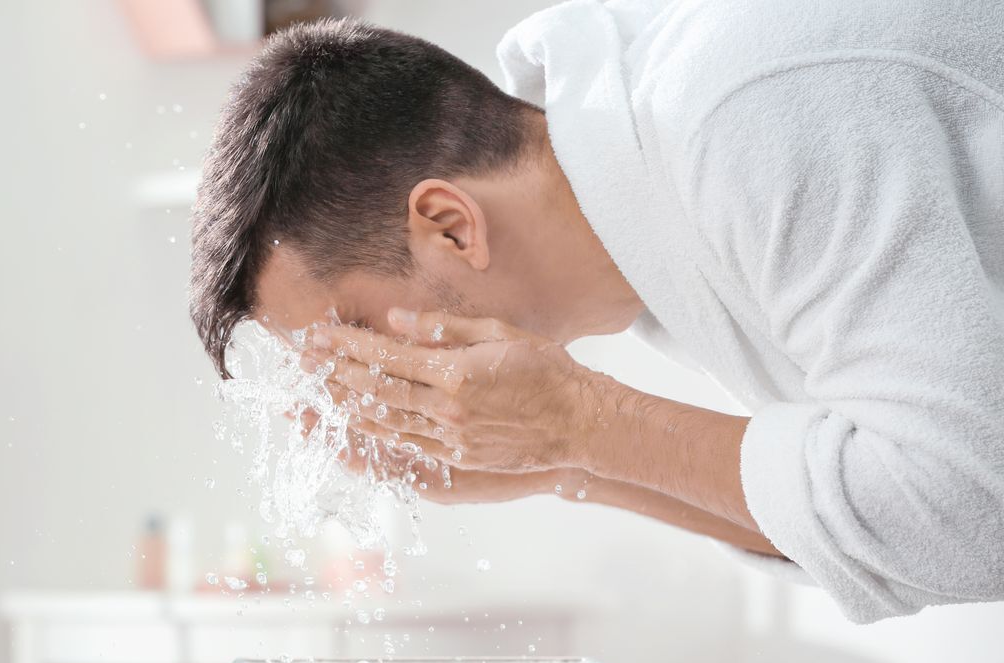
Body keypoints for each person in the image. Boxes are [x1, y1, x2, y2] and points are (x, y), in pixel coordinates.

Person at [188, 0, 1004, 624]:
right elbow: (870, 526)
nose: (358, 386)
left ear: (449, 225)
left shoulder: (738, 121)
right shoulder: (660, 224)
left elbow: (969, 509)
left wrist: (586, 424)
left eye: (355, 336)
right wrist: (561, 464)